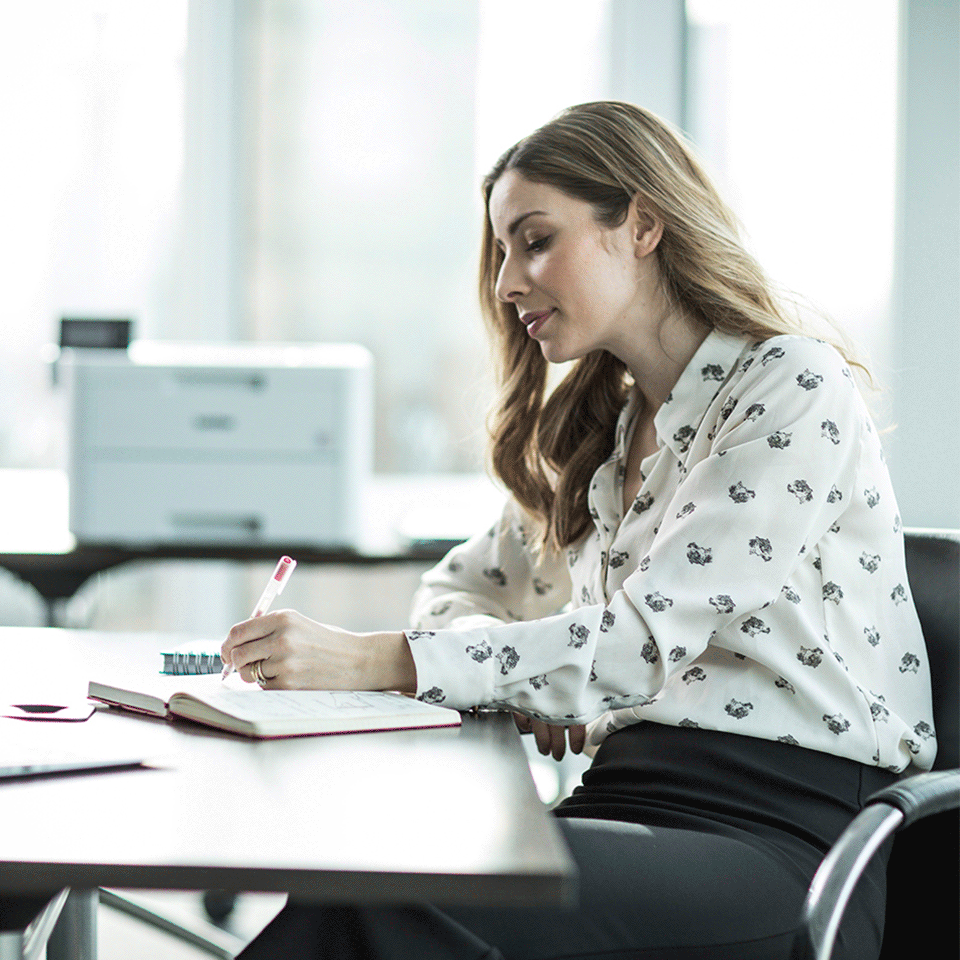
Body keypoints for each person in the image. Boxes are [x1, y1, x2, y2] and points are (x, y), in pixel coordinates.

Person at [223, 101, 936, 960]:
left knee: (392, 896)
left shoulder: (790, 385)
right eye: (501, 253)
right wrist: (516, 666)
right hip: (617, 806)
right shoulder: (601, 430)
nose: (506, 281)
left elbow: (635, 647)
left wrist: (377, 657)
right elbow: (458, 589)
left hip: (785, 845)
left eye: (535, 240)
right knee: (368, 881)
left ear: (639, 223)